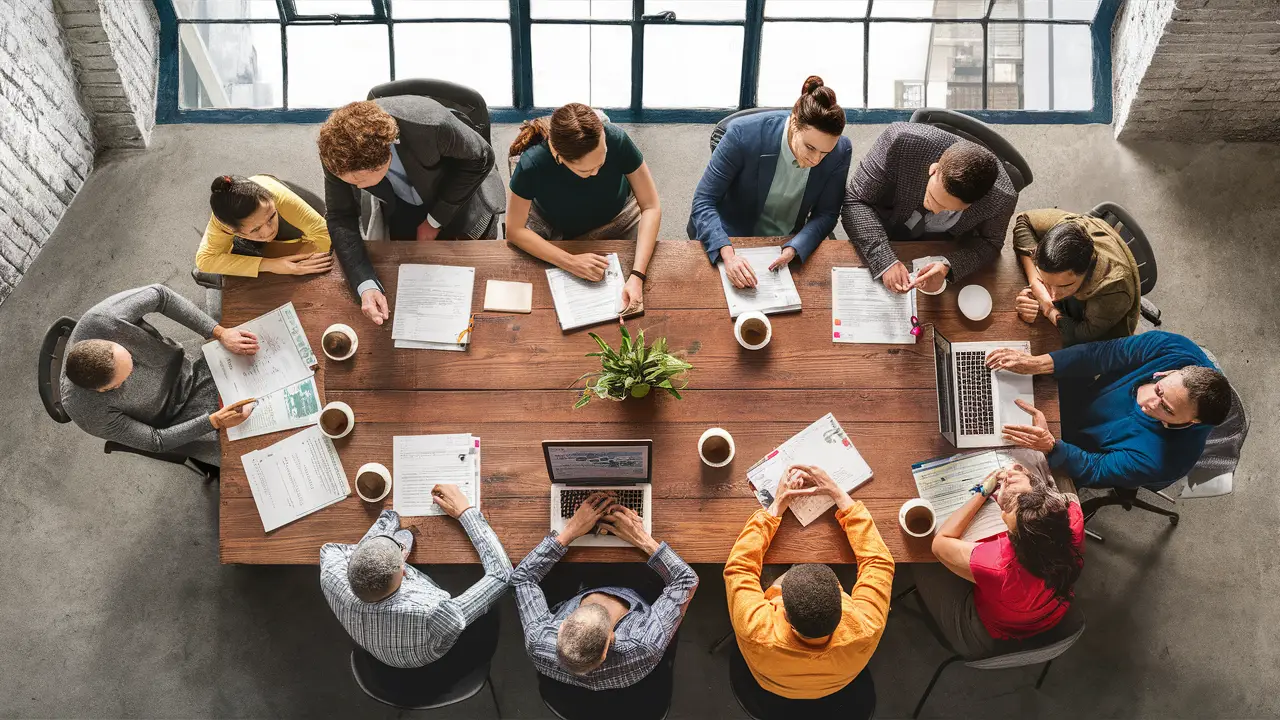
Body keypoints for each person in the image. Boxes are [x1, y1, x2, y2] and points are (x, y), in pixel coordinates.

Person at [318, 98, 505, 326]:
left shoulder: (433, 126)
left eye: (358, 180)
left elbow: (483, 157)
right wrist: (364, 283)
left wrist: (434, 221)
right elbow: (339, 216)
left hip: (454, 196)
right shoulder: (336, 153)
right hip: (399, 203)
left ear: (382, 159)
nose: (355, 187)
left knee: (467, 287)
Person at [724, 464, 895, 700]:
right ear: (843, 603)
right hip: (838, 687)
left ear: (784, 615)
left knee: (768, 569)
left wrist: (775, 507)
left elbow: (739, 567)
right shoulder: (866, 625)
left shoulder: (755, 628)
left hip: (766, 685)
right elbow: (879, 562)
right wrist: (837, 492)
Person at [986, 331, 1232, 490]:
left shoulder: (1165, 460)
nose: (1148, 404)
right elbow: (1103, 354)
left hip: (1077, 449)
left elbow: (1096, 468)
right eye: (1159, 389)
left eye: (1166, 409)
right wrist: (1037, 364)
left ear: (1195, 421)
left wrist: (1052, 446)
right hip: (1081, 398)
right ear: (1172, 372)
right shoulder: (1176, 349)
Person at [512, 492, 699, 690]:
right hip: (639, 590)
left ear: (561, 626)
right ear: (610, 643)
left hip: (581, 585)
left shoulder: (538, 642)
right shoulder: (645, 645)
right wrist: (642, 538)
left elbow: (522, 578)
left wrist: (569, 531)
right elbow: (686, 580)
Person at [60, 284, 259, 466]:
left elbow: (160, 295)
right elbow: (156, 441)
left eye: (128, 355)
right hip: (174, 419)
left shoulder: (102, 320)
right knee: (250, 451)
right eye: (128, 372)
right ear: (107, 389)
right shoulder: (87, 411)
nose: (137, 364)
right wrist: (214, 422)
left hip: (186, 368)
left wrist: (219, 333)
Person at [319, 485, 511, 668]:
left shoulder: (331, 574)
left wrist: (388, 521)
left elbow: (332, 550)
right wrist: (465, 511)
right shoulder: (433, 614)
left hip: (380, 650)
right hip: (432, 656)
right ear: (403, 570)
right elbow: (503, 576)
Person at [690, 76, 852, 289]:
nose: (815, 160)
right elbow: (703, 200)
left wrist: (795, 247)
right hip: (732, 238)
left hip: (787, 242)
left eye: (825, 153)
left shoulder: (841, 151)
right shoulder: (742, 134)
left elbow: (827, 213)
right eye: (810, 148)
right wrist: (728, 254)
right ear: (794, 121)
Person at [914, 463, 1084, 658]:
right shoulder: (1074, 521)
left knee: (920, 556)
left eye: (1006, 509)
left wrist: (983, 491)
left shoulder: (998, 565)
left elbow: (940, 543)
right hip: (1051, 613)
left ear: (1011, 534)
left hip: (988, 635)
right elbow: (1059, 487)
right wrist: (1029, 479)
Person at [506, 104, 661, 311]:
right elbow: (514, 230)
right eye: (587, 170)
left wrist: (638, 275)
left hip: (618, 218)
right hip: (556, 229)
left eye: (603, 158)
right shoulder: (531, 164)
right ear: (559, 157)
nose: (598, 172)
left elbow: (651, 206)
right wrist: (570, 262)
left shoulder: (616, 139)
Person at [840, 123, 1017, 294]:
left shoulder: (1002, 198)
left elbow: (991, 244)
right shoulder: (900, 141)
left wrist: (948, 265)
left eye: (950, 209)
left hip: (942, 245)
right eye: (933, 198)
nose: (936, 210)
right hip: (887, 227)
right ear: (934, 169)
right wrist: (884, 259)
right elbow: (854, 200)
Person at [1012, 208, 1141, 346]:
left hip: (1103, 334)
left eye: (1064, 286)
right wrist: (1035, 280)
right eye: (1047, 283)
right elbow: (1023, 221)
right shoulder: (1069, 226)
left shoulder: (1114, 287)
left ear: (1088, 269)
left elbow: (1082, 335)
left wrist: (1048, 308)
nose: (1053, 295)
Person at [194, 174, 333, 278]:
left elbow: (326, 233)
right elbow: (205, 260)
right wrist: (271, 264)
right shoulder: (221, 224)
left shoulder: (275, 196)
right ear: (233, 231)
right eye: (256, 229)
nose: (269, 232)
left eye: (271, 217)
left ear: (272, 201)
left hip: (303, 223)